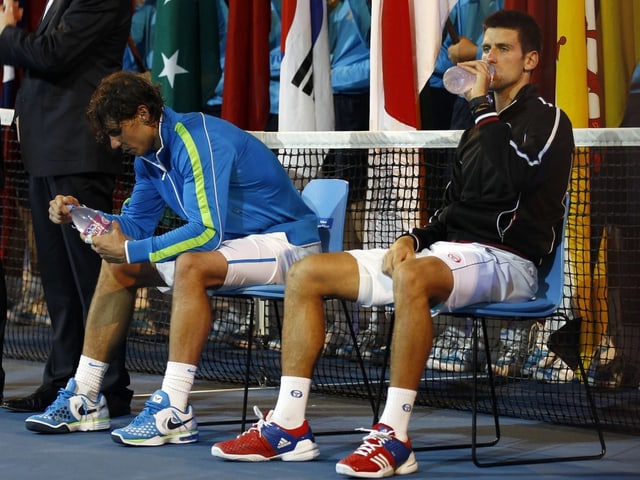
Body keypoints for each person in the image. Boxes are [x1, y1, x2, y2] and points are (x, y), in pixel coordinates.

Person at [211, 9, 574, 477]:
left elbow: (514, 175)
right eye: (485, 48)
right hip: (449, 255)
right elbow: (453, 209)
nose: (489, 58)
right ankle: (287, 426)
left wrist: (481, 107)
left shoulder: (549, 120)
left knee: (414, 275)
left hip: (512, 262)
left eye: (502, 49)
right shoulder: (477, 123)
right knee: (308, 273)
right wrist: (414, 236)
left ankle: (394, 435)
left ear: (530, 60)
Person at [23, 71, 321, 446]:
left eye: (118, 131)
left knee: (190, 263)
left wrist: (130, 248)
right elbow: (135, 224)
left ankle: (174, 410)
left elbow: (206, 232)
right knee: (120, 267)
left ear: (144, 114)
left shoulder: (196, 141)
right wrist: (85, 216)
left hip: (288, 244)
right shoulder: (148, 158)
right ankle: (85, 396)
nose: (115, 144)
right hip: (237, 245)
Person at [0, 0, 134, 416]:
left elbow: (52, 56)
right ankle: (62, 381)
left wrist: (6, 32)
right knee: (58, 282)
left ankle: (109, 388)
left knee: (91, 279)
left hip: (78, 154)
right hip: (47, 152)